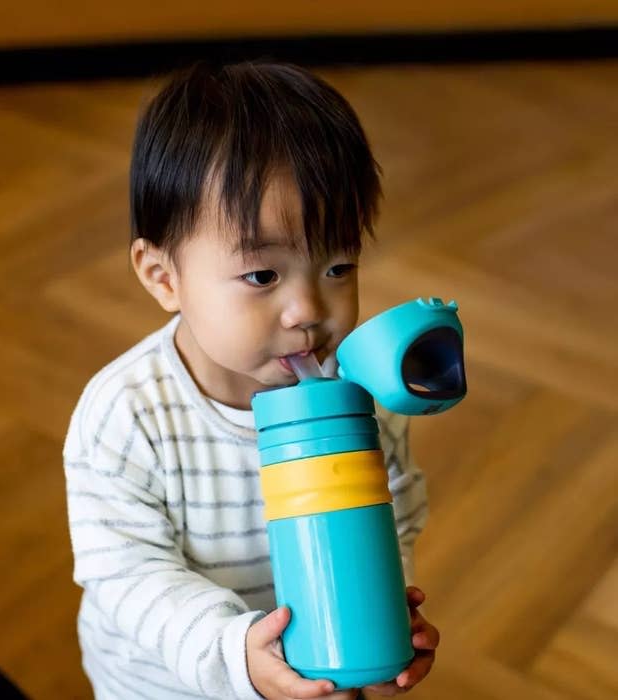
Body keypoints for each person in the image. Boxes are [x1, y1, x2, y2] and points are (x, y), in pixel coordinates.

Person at [63, 61, 439, 700]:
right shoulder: (127, 415)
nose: (309, 312)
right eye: (263, 277)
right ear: (163, 277)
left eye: (338, 266)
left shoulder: (364, 402)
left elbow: (393, 517)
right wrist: (237, 655)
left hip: (318, 676)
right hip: (165, 687)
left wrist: (384, 616)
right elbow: (127, 577)